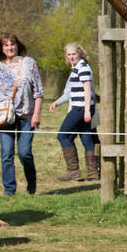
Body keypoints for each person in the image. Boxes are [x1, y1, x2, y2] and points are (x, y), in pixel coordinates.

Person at [0, 34, 43, 195]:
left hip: (26, 115)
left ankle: (31, 183)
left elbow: (38, 90)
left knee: (24, 152)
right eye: (6, 45)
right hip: (5, 115)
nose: (9, 48)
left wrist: (36, 114)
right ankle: (9, 190)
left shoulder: (29, 63)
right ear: (2, 48)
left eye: (12, 44)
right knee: (6, 153)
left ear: (17, 45)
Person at [50, 42, 99, 181]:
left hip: (80, 109)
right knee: (86, 139)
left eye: (74, 54)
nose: (71, 57)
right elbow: (70, 92)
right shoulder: (76, 68)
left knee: (62, 136)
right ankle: (93, 173)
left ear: (80, 54)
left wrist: (87, 111)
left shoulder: (82, 68)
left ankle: (73, 170)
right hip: (83, 108)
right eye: (69, 54)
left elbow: (87, 89)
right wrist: (57, 103)